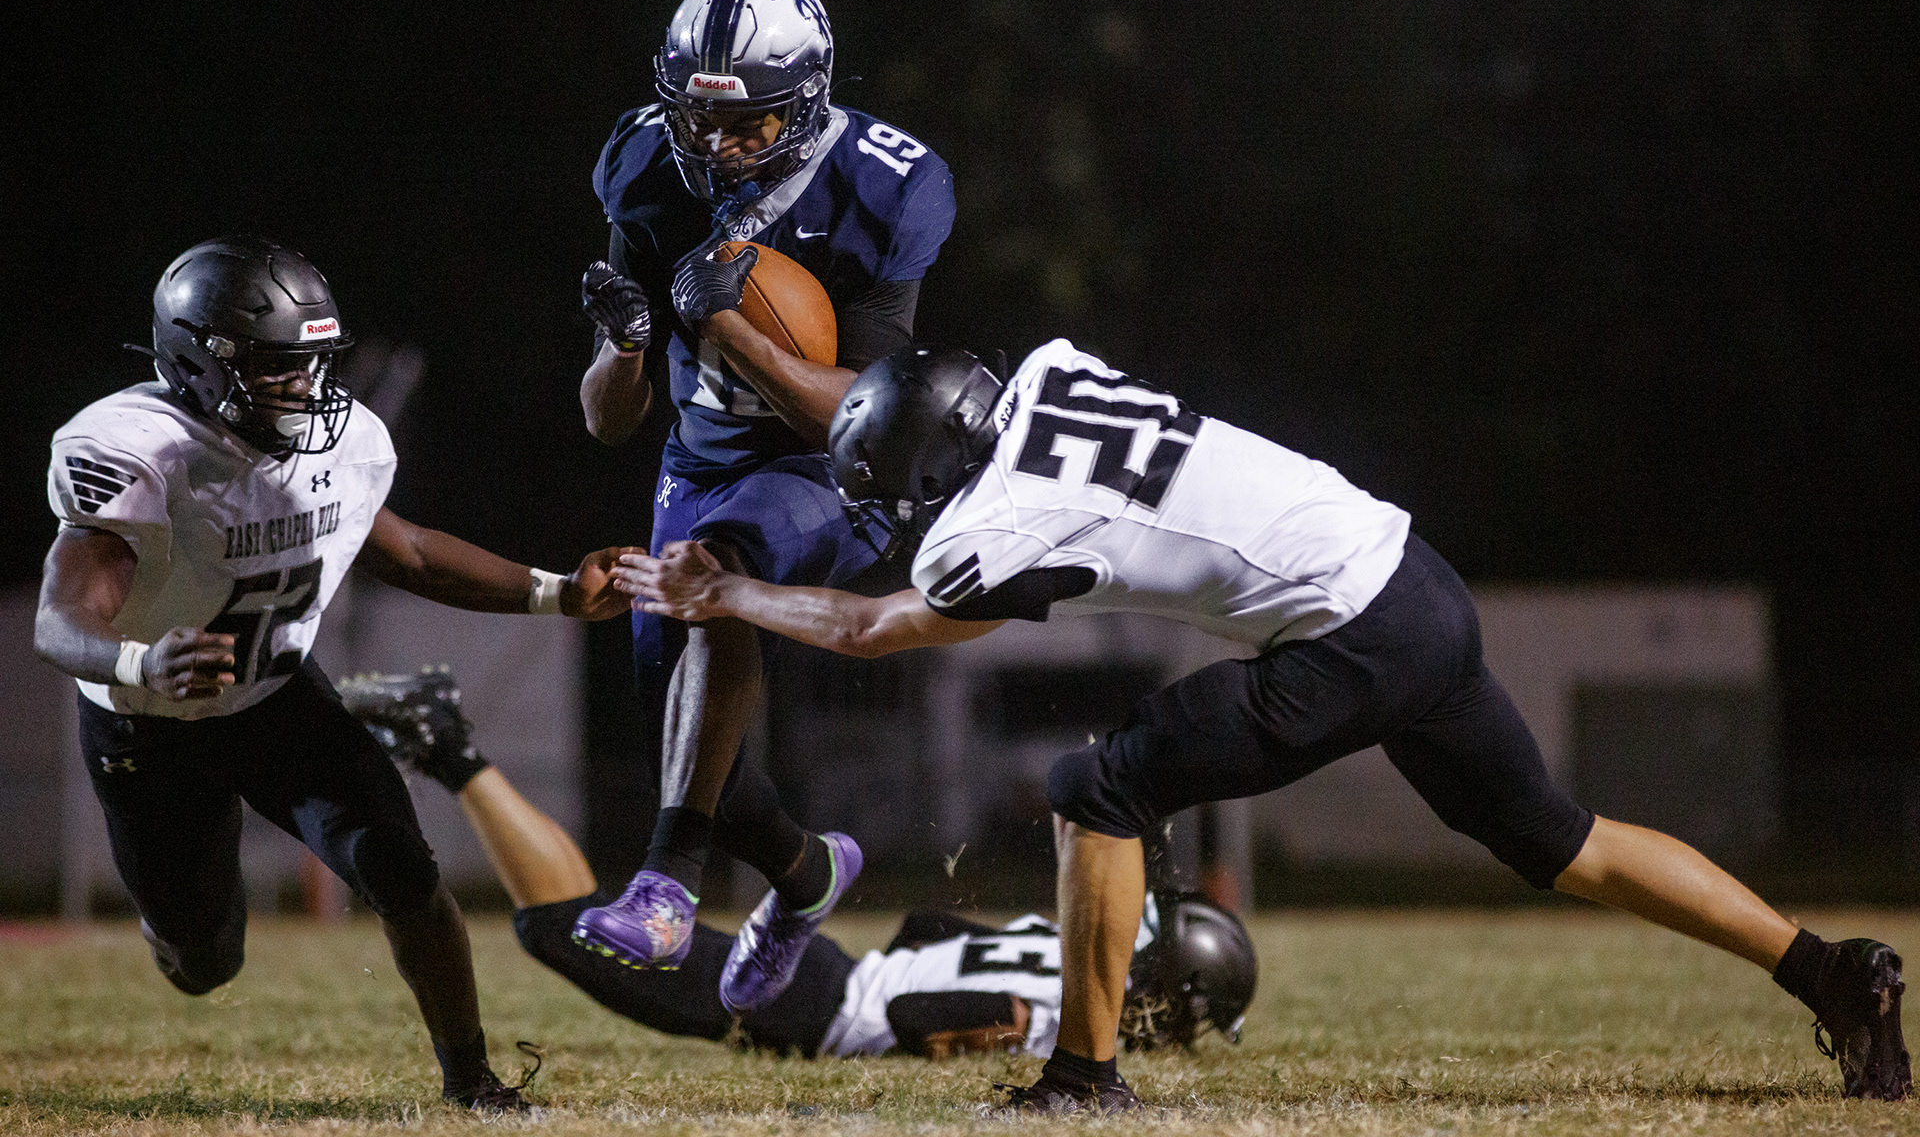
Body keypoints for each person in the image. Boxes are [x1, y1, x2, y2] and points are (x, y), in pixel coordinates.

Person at [618, 339, 1912, 1111]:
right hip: (1408, 574)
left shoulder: (985, 532)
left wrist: (723, 587)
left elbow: (870, 627)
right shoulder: (1054, 372)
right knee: (1562, 842)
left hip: (1346, 632)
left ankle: (1083, 1078)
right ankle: (1829, 971)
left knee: (1092, 788)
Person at [33, 236, 637, 1112]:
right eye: (279, 368)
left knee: (403, 868)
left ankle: (471, 1081)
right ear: (199, 364)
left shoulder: (344, 440)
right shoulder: (141, 449)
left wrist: (555, 594)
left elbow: (411, 553)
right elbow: (61, 619)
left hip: (277, 699)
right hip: (149, 725)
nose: (306, 389)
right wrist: (141, 659)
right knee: (205, 963)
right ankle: (176, 928)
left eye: (314, 364)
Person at [569, 0, 955, 1016]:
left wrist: (732, 327)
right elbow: (610, 419)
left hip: (835, 470)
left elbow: (867, 412)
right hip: (695, 462)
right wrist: (628, 345)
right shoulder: (647, 164)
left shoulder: (886, 183)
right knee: (699, 752)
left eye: (751, 125)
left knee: (717, 572)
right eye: (701, 122)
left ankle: (665, 883)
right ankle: (806, 875)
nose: (720, 147)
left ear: (812, 97)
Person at [338, 668, 1255, 1059]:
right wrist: (1008, 1030)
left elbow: (926, 933)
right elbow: (915, 1015)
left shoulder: (1057, 943)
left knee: (564, 922)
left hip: (828, 976)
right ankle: (448, 744)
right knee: (555, 927)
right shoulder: (1072, 1010)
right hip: (812, 1004)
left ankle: (448, 747)